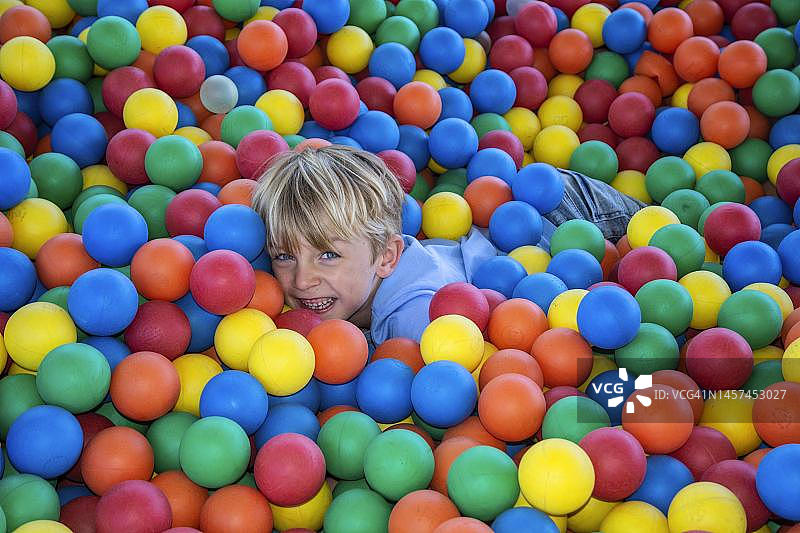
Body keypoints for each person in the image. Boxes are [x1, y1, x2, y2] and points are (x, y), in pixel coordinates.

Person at [252, 145, 645, 350]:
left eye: (327, 255)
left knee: (658, 238)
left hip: (560, 214)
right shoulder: (344, 291)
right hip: (507, 226)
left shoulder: (416, 321)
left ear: (387, 257)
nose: (301, 280)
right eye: (284, 255)